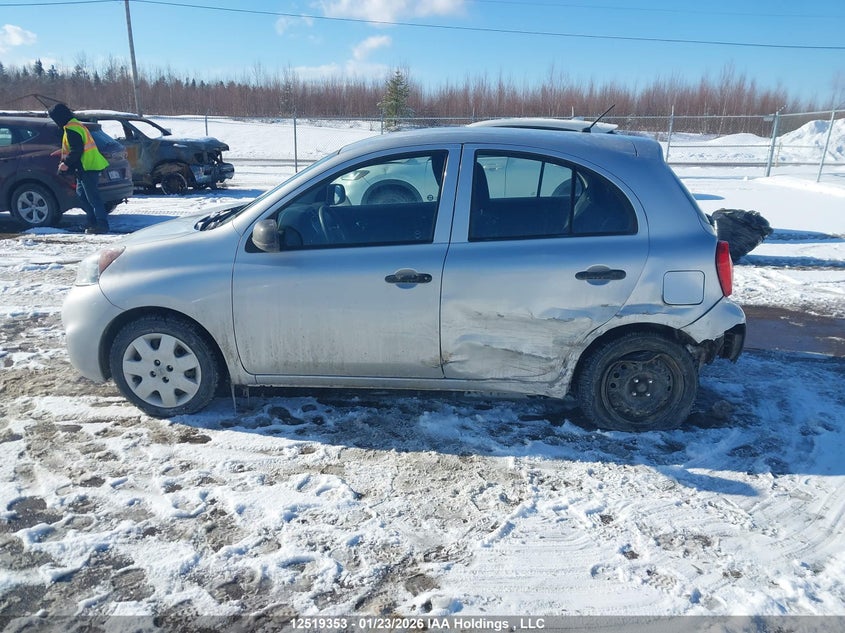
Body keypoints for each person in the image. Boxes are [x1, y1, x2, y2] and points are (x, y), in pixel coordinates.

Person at [48, 103, 111, 234]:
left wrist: (66, 164)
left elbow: (77, 150)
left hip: (88, 166)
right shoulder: (75, 124)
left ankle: (102, 225)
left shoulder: (71, 128)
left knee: (93, 197)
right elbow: (76, 146)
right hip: (87, 166)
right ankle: (92, 221)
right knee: (82, 195)